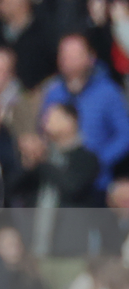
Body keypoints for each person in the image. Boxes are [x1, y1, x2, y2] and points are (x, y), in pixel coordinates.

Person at [41, 32, 129, 191]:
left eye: (75, 55)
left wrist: (97, 161)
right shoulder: (53, 92)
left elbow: (125, 135)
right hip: (58, 178)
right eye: (65, 55)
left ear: (91, 57)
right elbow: (42, 129)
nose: (69, 60)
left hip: (98, 183)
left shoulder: (109, 92)